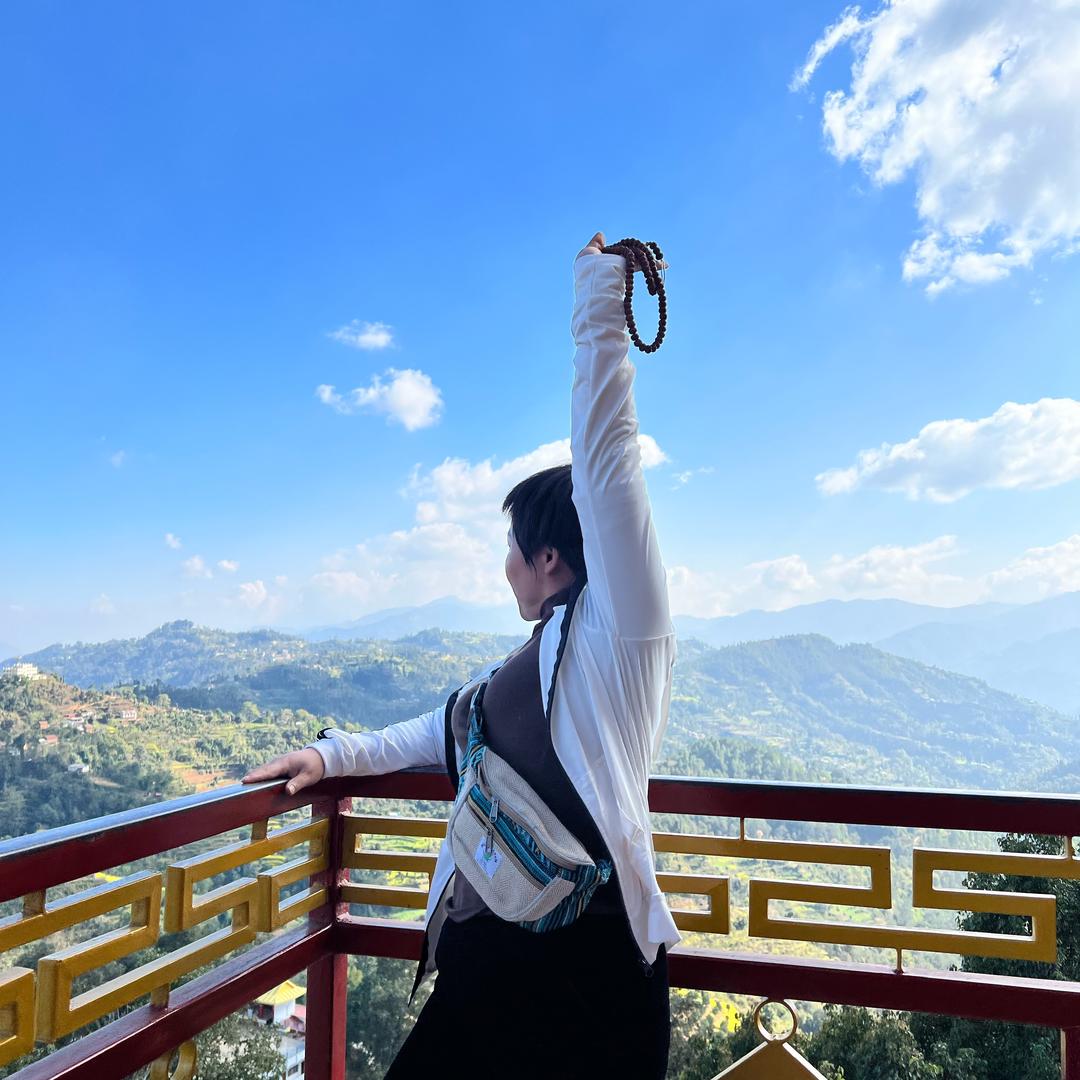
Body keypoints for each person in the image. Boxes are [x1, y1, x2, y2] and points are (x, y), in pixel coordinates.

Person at [243, 231, 680, 1078]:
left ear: (551, 558)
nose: (504, 564)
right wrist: (331, 755)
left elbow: (608, 458)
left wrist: (598, 297)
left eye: (514, 547)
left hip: (589, 976)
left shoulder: (621, 642)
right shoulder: (526, 665)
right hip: (491, 969)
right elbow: (434, 733)